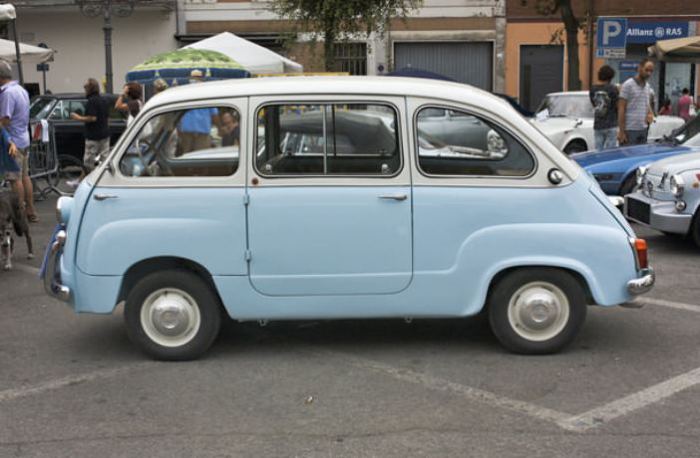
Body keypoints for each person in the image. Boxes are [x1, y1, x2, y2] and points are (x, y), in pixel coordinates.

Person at [0, 60, 37, 222]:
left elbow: (5, 119)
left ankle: (19, 214)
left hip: (12, 142)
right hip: (23, 138)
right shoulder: (21, 90)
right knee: (25, 177)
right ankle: (31, 211)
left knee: (15, 180)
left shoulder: (7, 93)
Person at [70, 78, 111, 173]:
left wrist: (78, 117)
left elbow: (92, 118)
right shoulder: (103, 100)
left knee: (88, 163)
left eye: (85, 87)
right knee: (104, 161)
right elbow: (107, 118)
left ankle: (88, 179)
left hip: (93, 136)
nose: (84, 89)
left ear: (90, 88)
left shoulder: (91, 101)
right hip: (105, 135)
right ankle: (103, 177)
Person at [176, 70, 219, 155]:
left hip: (199, 132)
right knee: (193, 156)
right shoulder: (185, 93)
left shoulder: (185, 93)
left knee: (199, 156)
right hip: (189, 132)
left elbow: (214, 114)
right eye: (193, 78)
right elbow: (214, 114)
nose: (195, 80)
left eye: (196, 78)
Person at [617, 58, 655, 146]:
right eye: (646, 70)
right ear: (639, 68)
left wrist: (650, 114)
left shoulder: (647, 86)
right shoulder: (628, 85)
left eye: (651, 71)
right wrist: (621, 131)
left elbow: (647, 104)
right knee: (627, 154)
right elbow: (621, 108)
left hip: (643, 129)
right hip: (629, 130)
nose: (649, 73)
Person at [589, 65, 618, 150]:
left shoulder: (593, 89)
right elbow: (617, 105)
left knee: (598, 150)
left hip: (598, 124)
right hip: (611, 124)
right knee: (610, 152)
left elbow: (593, 104)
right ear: (610, 77)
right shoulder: (613, 88)